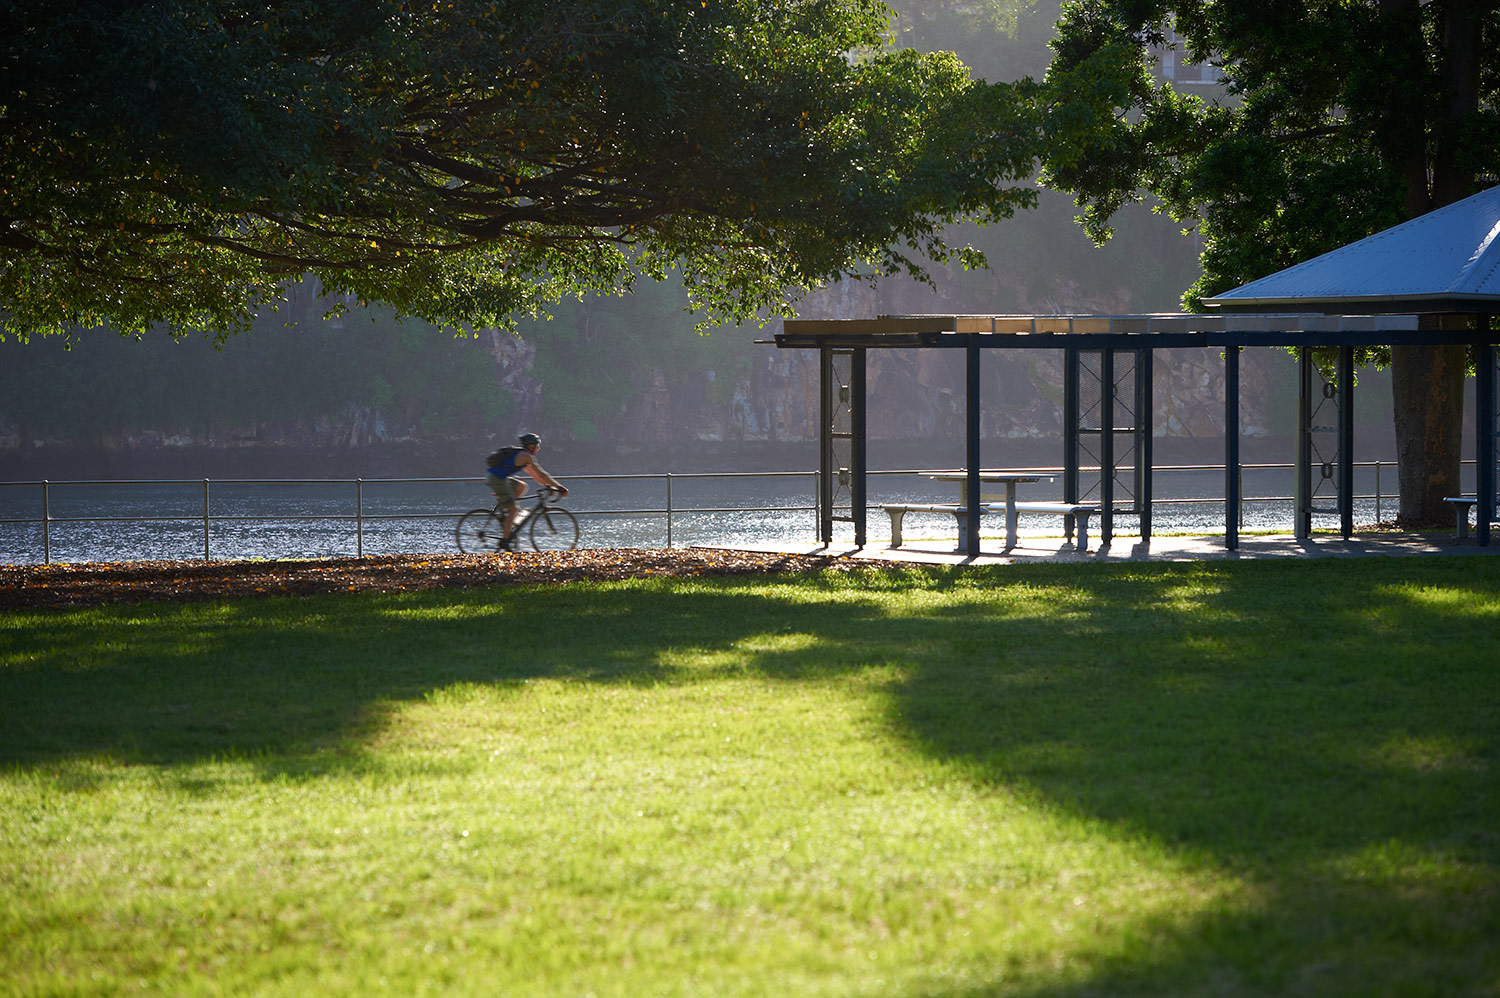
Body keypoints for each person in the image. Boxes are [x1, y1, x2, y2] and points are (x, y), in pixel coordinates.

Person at [486, 432, 568, 545]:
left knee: (522, 486)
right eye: (537, 446)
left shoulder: (523, 456)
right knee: (513, 509)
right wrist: (559, 487)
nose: (538, 448)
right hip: (497, 480)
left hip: (499, 478)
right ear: (531, 446)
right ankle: (505, 541)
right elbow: (542, 474)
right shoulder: (526, 457)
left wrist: (548, 486)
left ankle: (508, 515)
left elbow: (536, 477)